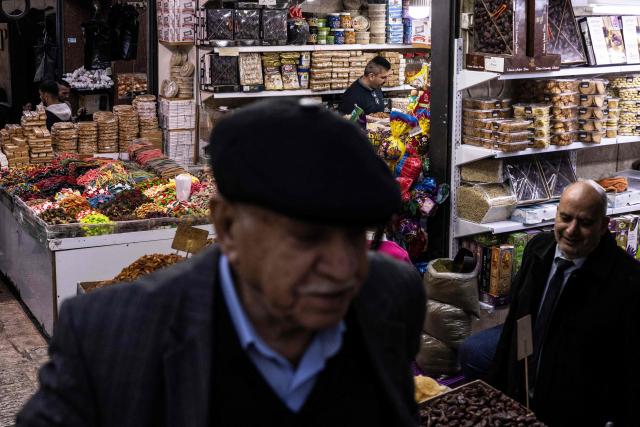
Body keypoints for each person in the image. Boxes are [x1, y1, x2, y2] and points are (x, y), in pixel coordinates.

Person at [17, 99, 426, 426]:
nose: (341, 269)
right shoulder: (111, 336)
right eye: (307, 240)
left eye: (355, 237)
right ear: (227, 226)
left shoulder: (391, 293)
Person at [489, 180, 640, 426]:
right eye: (566, 218)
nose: (571, 230)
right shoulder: (538, 249)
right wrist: (494, 391)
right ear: (556, 214)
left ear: (603, 226)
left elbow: (630, 369)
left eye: (585, 222)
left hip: (574, 410)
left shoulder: (628, 281)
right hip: (523, 389)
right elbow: (515, 323)